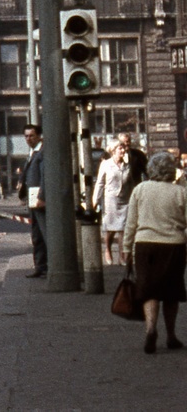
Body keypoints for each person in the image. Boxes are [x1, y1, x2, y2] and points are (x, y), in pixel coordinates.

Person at [121, 152, 187, 353]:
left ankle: (150, 329)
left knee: (149, 289)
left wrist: (126, 248)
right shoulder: (181, 192)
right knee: (171, 291)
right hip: (174, 246)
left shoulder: (140, 190)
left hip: (145, 245)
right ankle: (171, 335)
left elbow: (131, 223)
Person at [92, 141, 131, 265]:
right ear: (114, 150)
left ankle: (122, 256)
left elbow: (131, 182)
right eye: (120, 148)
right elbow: (100, 183)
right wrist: (95, 200)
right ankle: (107, 249)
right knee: (110, 229)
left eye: (123, 148)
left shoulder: (127, 165)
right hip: (111, 199)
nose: (123, 151)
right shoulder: (106, 164)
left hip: (125, 199)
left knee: (123, 229)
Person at [19, 124, 47, 279]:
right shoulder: (32, 153)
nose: (28, 139)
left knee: (44, 232)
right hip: (32, 199)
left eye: (31, 136)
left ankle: (47, 265)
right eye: (26, 136)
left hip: (39, 199)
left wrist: (42, 197)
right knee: (36, 234)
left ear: (39, 136)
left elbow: (44, 176)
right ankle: (40, 266)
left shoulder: (42, 152)